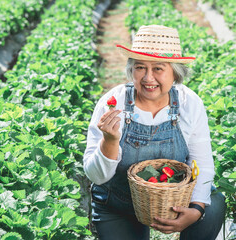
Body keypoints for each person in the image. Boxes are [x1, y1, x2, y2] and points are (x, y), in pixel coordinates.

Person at [83, 25, 226, 240]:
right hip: (118, 204)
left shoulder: (189, 103)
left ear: (175, 73)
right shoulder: (114, 103)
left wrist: (196, 210)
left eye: (158, 68)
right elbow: (95, 176)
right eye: (140, 67)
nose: (148, 78)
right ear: (131, 69)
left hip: (172, 202)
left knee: (213, 204)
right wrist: (110, 141)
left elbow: (202, 164)